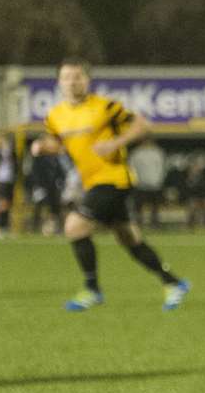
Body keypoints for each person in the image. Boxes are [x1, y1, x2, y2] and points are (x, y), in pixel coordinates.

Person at [36, 59, 189, 312]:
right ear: (59, 82)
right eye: (67, 77)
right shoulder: (55, 116)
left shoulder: (105, 107)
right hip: (92, 182)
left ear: (87, 80)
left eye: (78, 76)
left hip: (114, 179)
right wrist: (43, 147)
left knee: (74, 226)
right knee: (129, 238)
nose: (73, 82)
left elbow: (143, 124)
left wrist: (116, 143)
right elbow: (60, 144)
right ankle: (173, 283)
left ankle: (92, 289)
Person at [24, 139, 67, 236]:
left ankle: (56, 227)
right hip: (41, 187)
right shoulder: (38, 159)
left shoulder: (54, 158)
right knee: (38, 206)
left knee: (55, 207)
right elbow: (35, 173)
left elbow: (60, 172)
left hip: (52, 187)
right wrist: (38, 186)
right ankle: (34, 227)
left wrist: (60, 182)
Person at [127, 139, 167, 229]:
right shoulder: (136, 153)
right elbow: (131, 168)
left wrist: (159, 180)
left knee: (155, 207)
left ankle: (155, 224)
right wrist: (135, 181)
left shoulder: (158, 152)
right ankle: (139, 224)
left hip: (155, 184)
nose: (147, 143)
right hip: (141, 185)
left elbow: (162, 167)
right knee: (139, 207)